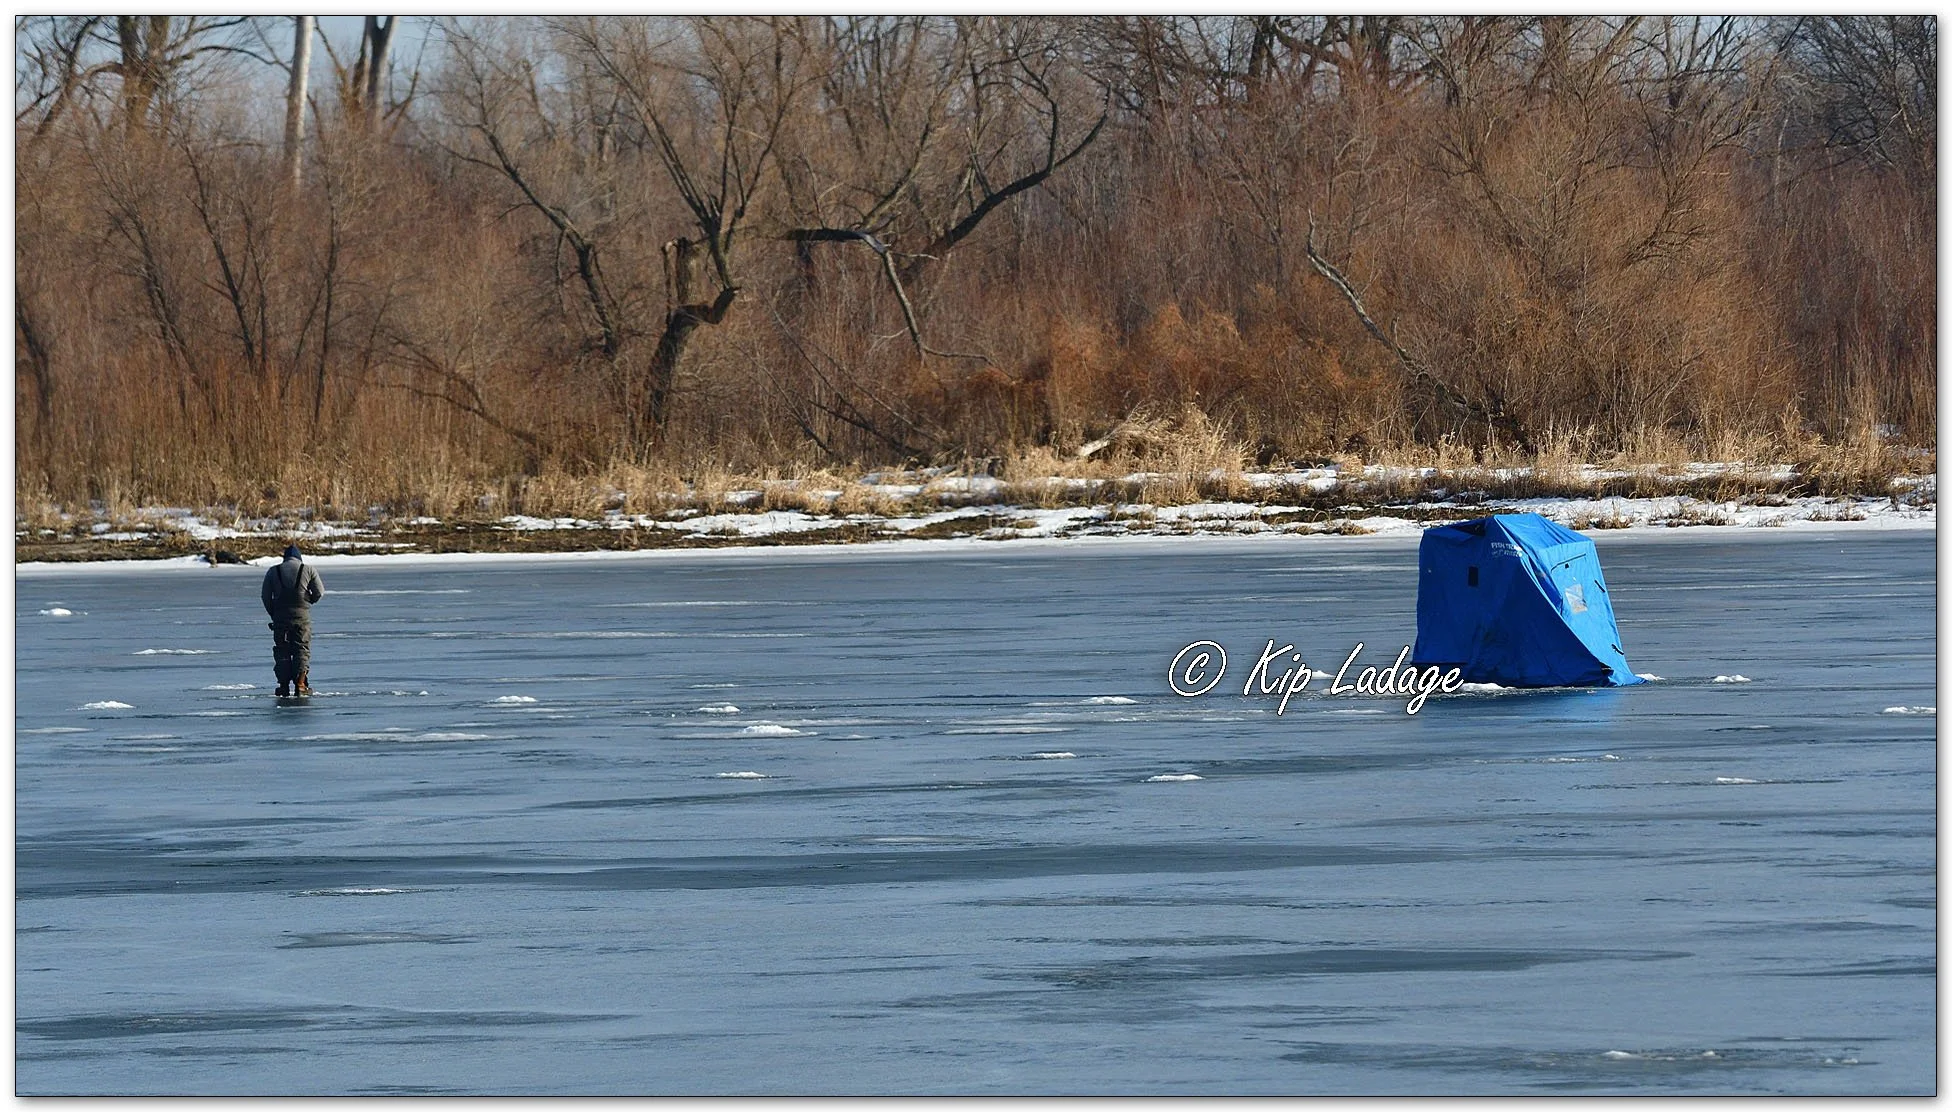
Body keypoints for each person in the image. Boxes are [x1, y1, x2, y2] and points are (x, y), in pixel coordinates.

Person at [261, 543, 325, 697]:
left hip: (280, 618)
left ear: (284, 558)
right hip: (302, 617)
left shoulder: (272, 571)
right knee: (301, 649)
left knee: (282, 649)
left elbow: (265, 596)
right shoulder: (308, 569)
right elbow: (320, 592)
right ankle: (300, 684)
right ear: (299, 557)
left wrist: (274, 614)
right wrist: (308, 600)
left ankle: (283, 686)